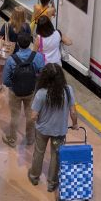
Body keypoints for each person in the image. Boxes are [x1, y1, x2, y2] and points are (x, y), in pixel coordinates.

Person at [28, 63, 78, 192]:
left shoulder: (41, 93)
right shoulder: (68, 90)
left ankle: (34, 176)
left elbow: (33, 116)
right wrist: (75, 124)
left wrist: (37, 119)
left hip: (42, 131)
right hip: (59, 131)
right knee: (56, 155)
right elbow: (73, 112)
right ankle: (52, 183)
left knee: (39, 152)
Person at [2, 32, 45, 147]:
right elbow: (42, 73)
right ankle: (30, 139)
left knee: (15, 116)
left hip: (15, 92)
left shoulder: (11, 59)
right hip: (31, 91)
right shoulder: (38, 57)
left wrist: (14, 85)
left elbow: (5, 80)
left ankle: (12, 139)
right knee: (30, 115)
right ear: (30, 42)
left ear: (17, 43)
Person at [0, 6, 30, 91]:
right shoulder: (26, 27)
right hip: (18, 53)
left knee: (1, 69)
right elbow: (28, 38)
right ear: (23, 15)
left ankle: (0, 85)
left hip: (5, 51)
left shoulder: (7, 25)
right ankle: (14, 85)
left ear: (13, 14)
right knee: (16, 70)